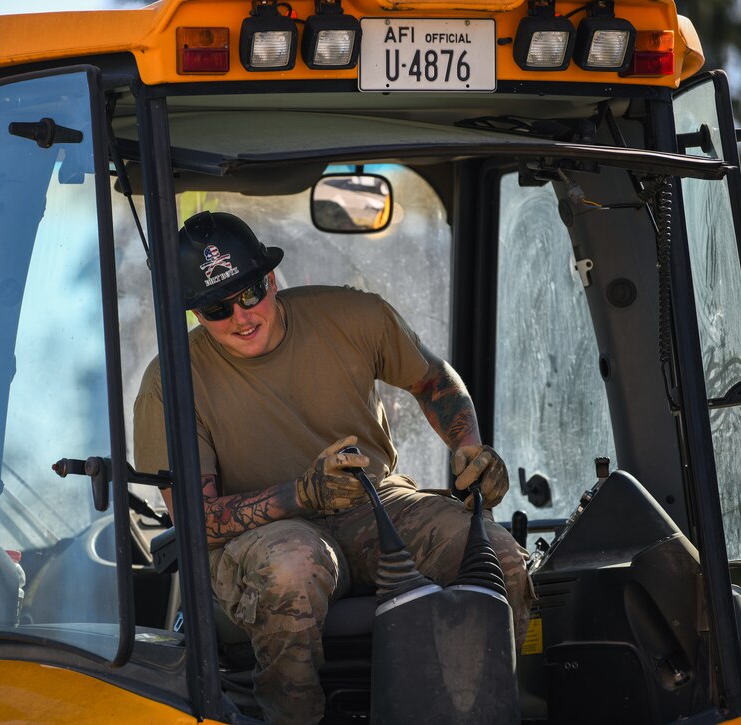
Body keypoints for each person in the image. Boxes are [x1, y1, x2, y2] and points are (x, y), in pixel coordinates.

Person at [134, 210, 532, 725]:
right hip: (260, 533)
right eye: (216, 308)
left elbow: (433, 379)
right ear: (194, 314)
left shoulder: (351, 315)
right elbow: (197, 519)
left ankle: (486, 708)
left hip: (376, 504)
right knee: (294, 567)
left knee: (501, 556)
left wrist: (471, 449)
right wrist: (302, 495)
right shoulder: (171, 381)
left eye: (251, 293)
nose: (242, 317)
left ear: (271, 279)